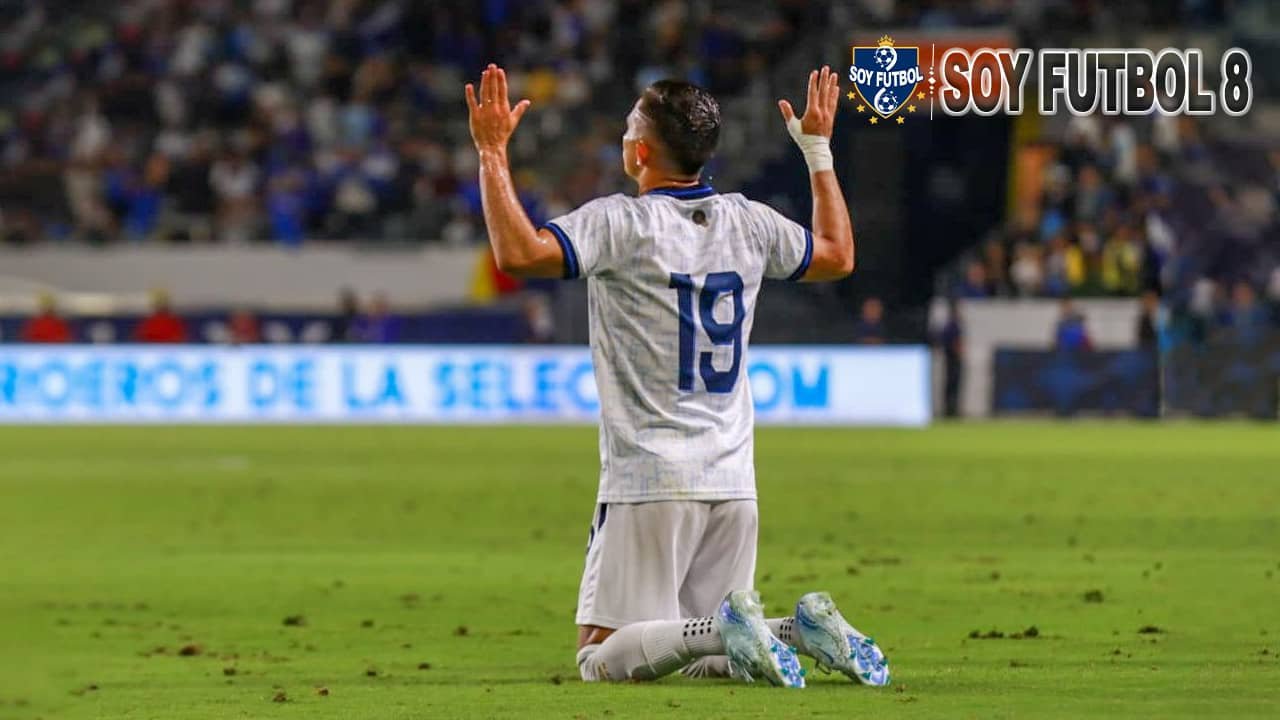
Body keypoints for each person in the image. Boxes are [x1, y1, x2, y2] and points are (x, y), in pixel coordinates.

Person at [466, 63, 888, 687]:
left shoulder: (620, 223)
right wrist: (818, 151)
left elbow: (519, 253)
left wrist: (492, 152)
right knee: (708, 658)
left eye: (630, 125)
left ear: (639, 153)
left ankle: (732, 625)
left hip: (649, 478)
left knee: (600, 656)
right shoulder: (749, 219)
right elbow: (837, 256)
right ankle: (795, 631)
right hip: (733, 479)